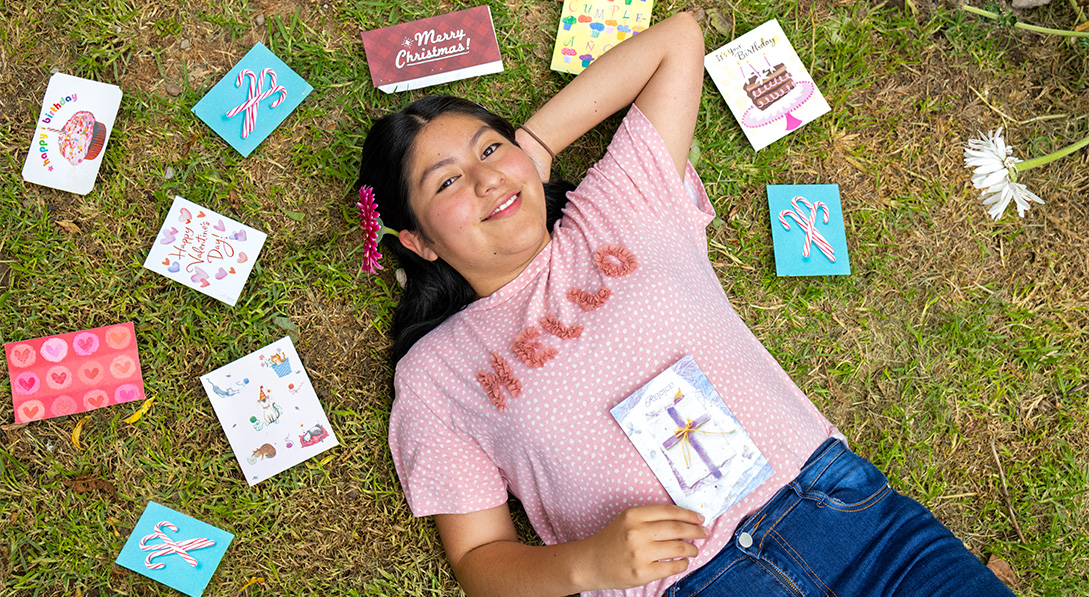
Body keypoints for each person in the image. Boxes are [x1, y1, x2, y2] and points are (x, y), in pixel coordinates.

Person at [354, 13, 1015, 597]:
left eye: (489, 149)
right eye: (447, 181)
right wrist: (585, 564)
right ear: (417, 240)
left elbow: (678, 40)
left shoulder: (619, 206)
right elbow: (478, 562)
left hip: (855, 524)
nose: (485, 176)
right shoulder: (434, 375)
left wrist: (534, 147)